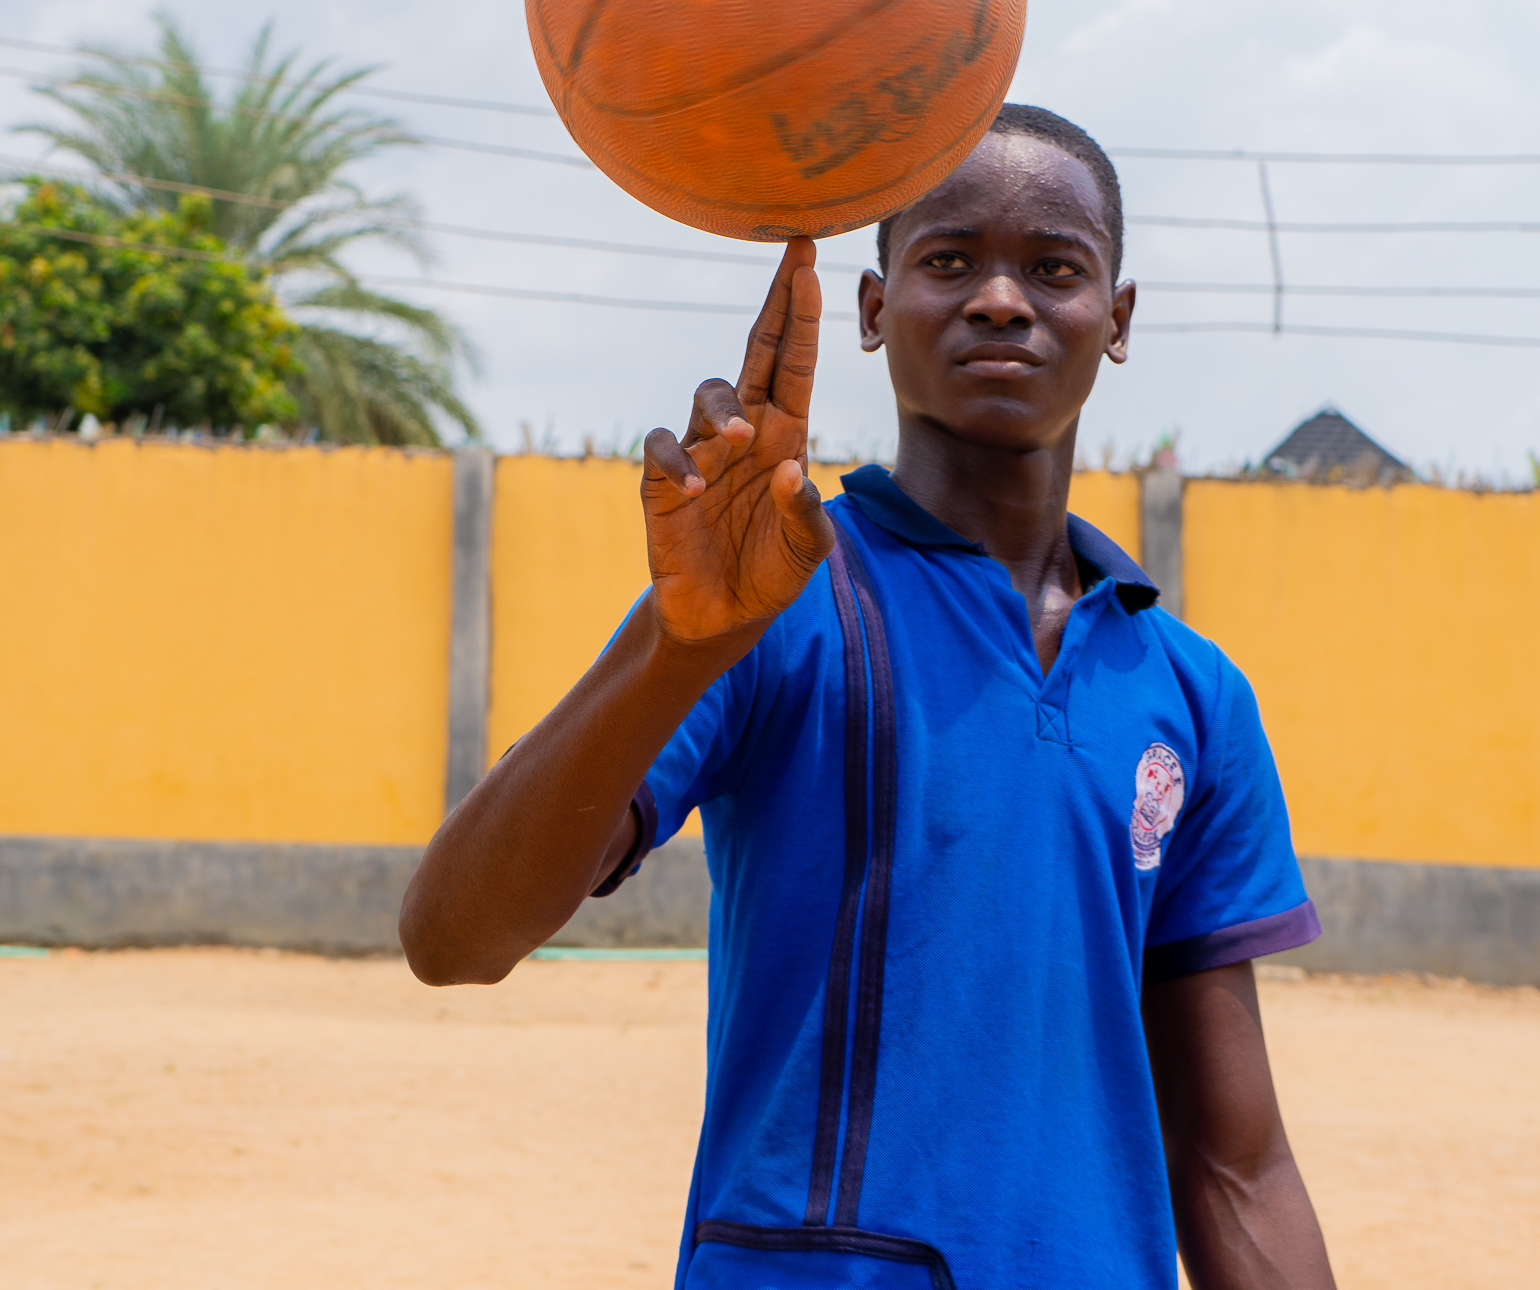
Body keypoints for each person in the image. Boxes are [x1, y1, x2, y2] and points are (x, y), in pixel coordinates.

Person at [400, 105, 1335, 1290]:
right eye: (949, 261)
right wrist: (680, 648)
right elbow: (452, 938)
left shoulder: (1192, 695)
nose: (1001, 300)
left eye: (1054, 267)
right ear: (874, 306)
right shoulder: (771, 602)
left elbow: (1235, 1162)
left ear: (1119, 318)